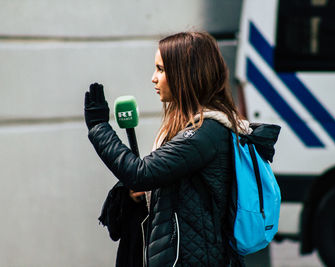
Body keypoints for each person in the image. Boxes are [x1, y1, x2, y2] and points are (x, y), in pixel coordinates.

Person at [84, 32, 251, 266]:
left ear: (187, 74)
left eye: (161, 69)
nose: (154, 78)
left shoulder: (205, 133)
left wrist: (99, 127)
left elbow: (141, 173)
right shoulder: (191, 127)